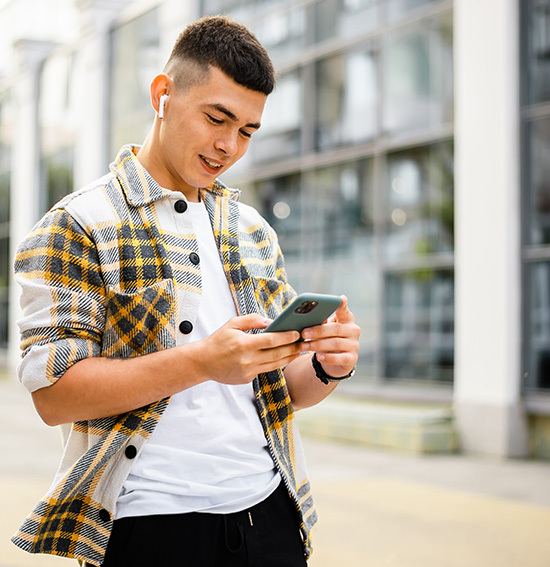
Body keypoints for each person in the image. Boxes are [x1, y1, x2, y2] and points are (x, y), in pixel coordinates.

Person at [12, 15, 360, 567]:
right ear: (163, 95)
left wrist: (325, 367)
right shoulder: (78, 224)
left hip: (269, 516)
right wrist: (202, 361)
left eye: (247, 131)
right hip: (148, 526)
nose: (229, 145)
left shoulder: (252, 232)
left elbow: (277, 393)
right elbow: (53, 396)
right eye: (217, 118)